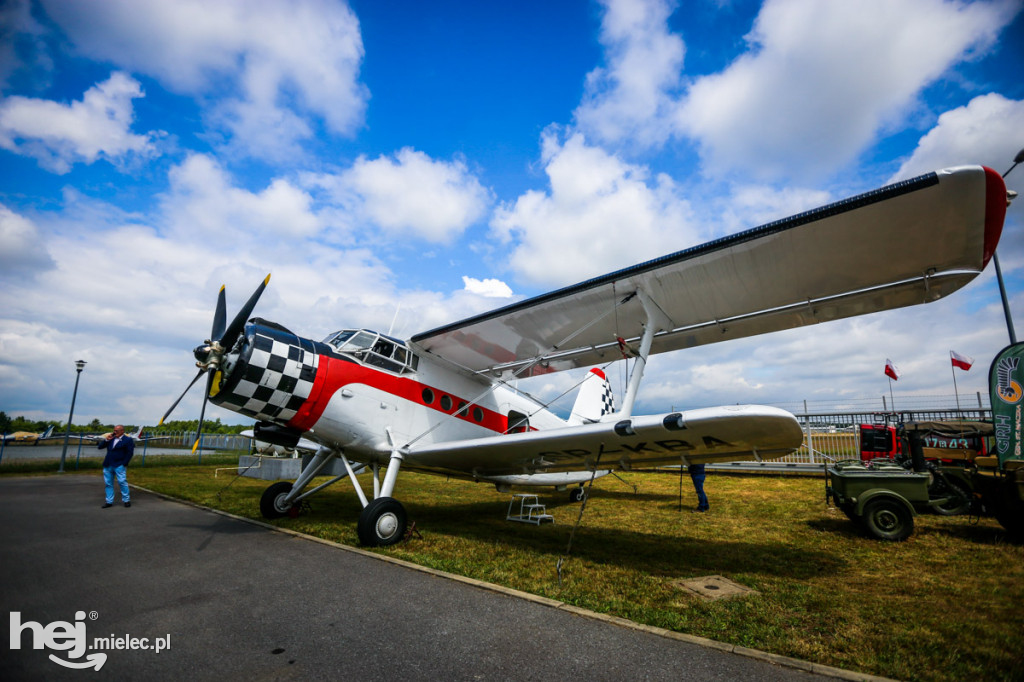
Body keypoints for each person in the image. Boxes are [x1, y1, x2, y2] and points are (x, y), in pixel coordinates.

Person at [98, 425, 134, 508]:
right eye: (114, 430)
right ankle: (109, 501)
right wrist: (106, 440)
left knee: (122, 482)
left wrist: (124, 463)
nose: (115, 432)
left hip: (119, 465)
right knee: (108, 483)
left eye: (116, 431)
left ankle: (126, 500)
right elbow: (100, 447)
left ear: (122, 431)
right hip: (108, 464)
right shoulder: (111, 439)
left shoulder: (128, 440)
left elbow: (130, 453)